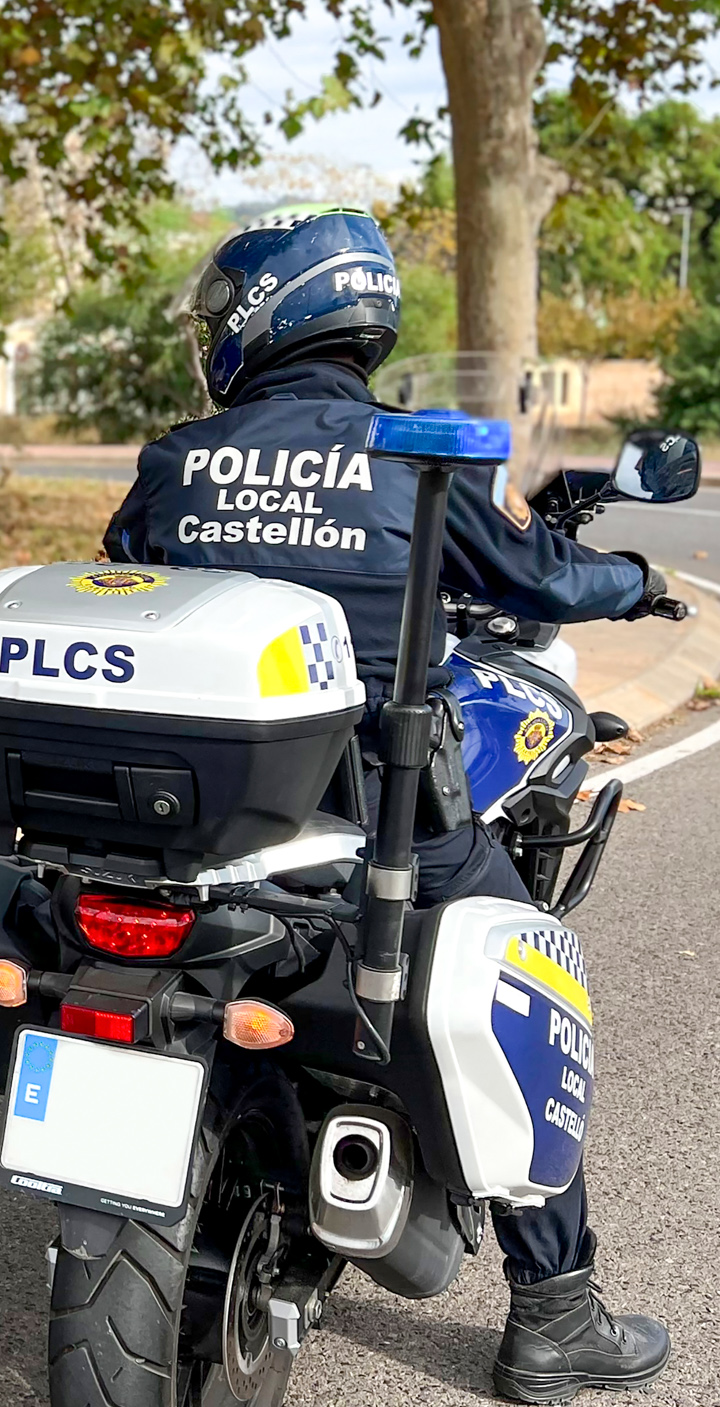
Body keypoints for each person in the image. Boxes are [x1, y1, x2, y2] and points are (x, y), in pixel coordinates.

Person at [104, 205, 674, 1404]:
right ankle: (554, 1313)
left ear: (264, 320)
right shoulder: (419, 452)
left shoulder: (176, 455)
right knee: (529, 993)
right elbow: (541, 579)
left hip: (192, 808)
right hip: (380, 814)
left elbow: (127, 577)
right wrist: (640, 583)